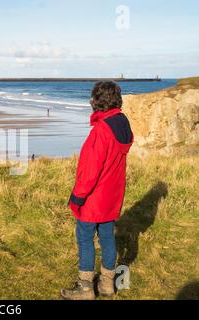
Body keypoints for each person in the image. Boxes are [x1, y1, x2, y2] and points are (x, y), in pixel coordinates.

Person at [61, 81, 133, 300]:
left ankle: (85, 288)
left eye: (93, 98)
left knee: (84, 238)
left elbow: (91, 171)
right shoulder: (122, 123)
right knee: (107, 237)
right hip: (112, 195)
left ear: (98, 101)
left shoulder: (102, 130)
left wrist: (77, 197)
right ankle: (107, 284)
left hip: (94, 198)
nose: (91, 102)